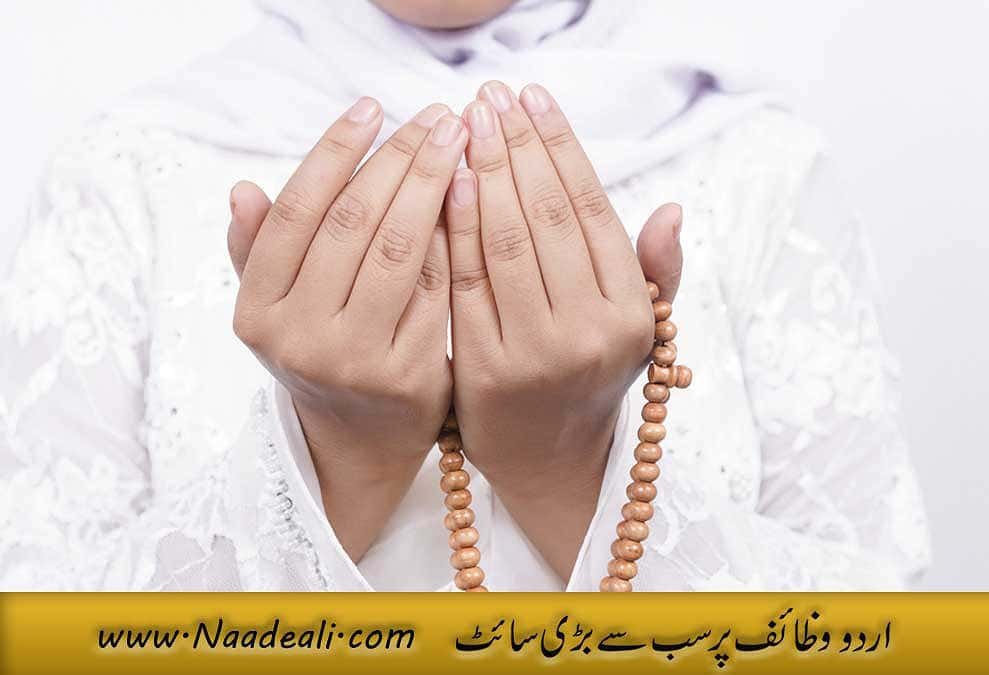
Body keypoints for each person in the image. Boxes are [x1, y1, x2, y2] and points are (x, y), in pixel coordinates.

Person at [0, 0, 930, 591]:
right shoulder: (127, 172)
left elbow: (887, 637)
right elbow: (37, 634)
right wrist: (336, 463)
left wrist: (567, 469)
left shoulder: (757, 165)